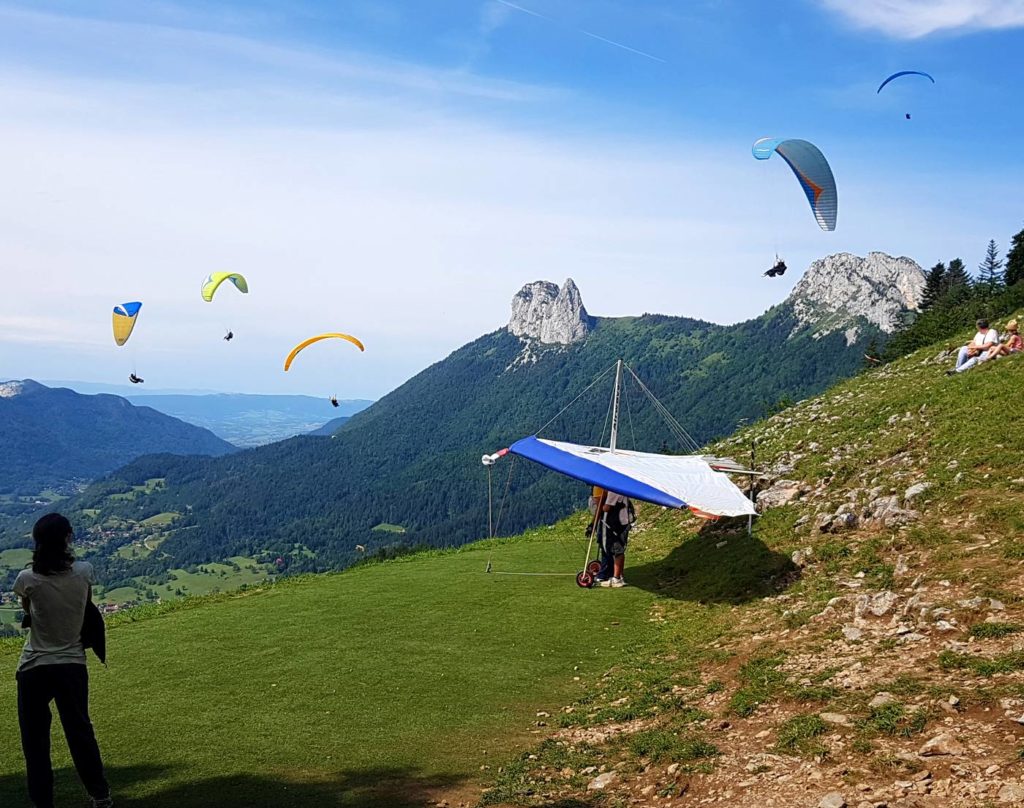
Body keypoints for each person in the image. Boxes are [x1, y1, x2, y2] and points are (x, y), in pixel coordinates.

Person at [13, 514, 112, 808]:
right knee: (80, 732)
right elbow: (85, 607)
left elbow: (29, 612)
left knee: (34, 741)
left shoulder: (26, 579)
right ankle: (100, 795)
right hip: (71, 664)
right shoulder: (84, 572)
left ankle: (42, 802)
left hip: (33, 666)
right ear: (68, 537)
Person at [599, 491, 634, 588]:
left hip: (616, 524)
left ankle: (616, 578)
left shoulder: (613, 491)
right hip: (623, 522)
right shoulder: (621, 488)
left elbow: (607, 507)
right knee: (619, 550)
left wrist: (599, 505)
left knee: (617, 550)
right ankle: (619, 576)